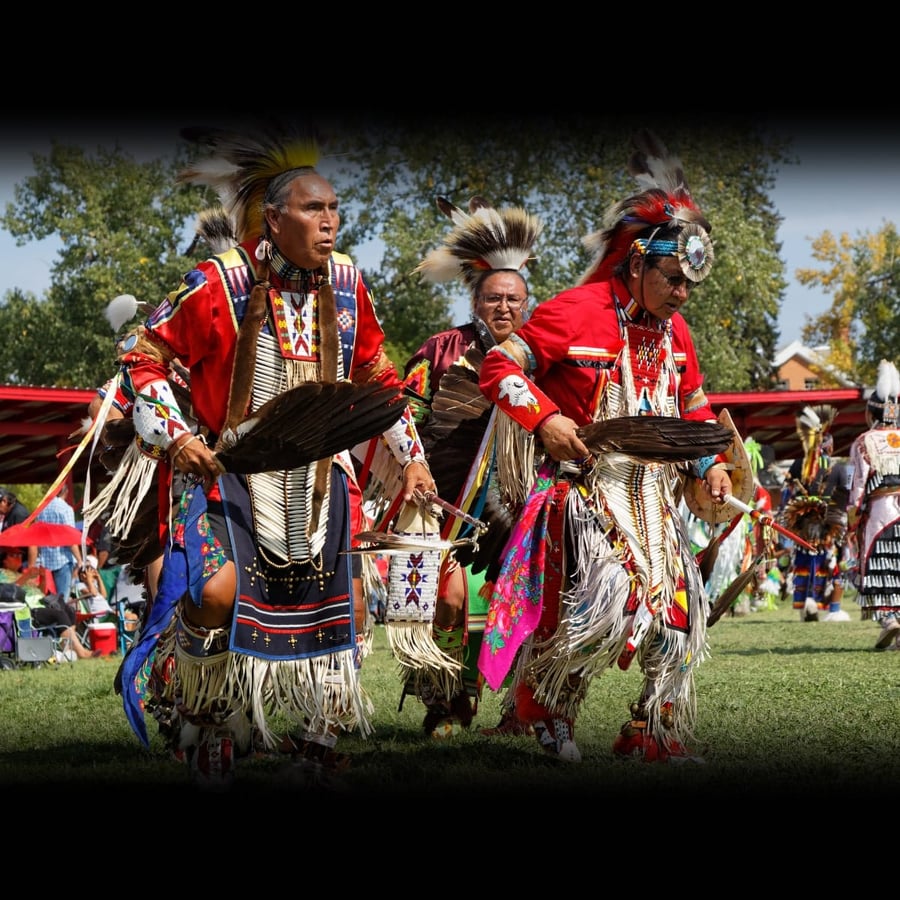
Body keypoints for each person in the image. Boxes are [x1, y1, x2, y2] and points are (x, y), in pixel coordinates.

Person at [91, 122, 435, 789]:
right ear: (273, 220)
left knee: (353, 611)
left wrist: (411, 457)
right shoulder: (218, 282)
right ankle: (203, 712)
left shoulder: (346, 284)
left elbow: (377, 375)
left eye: (335, 208)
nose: (330, 220)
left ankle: (318, 738)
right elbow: (144, 353)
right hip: (234, 472)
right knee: (217, 595)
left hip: (323, 477)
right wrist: (179, 435)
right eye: (314, 208)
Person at [476, 130, 733, 764]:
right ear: (639, 262)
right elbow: (498, 369)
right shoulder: (577, 311)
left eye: (689, 286)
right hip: (583, 497)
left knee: (676, 621)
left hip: (653, 497)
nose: (681, 295)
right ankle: (547, 710)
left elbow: (691, 409)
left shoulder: (677, 334)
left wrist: (712, 463)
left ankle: (651, 731)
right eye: (672, 279)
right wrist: (542, 420)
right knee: (603, 612)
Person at [395, 196, 542, 738]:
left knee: (528, 597)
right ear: (476, 300)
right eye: (492, 298)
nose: (503, 308)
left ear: (526, 305)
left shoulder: (538, 356)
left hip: (519, 495)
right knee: (447, 599)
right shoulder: (441, 349)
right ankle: (445, 701)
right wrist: (413, 470)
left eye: (513, 299)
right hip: (446, 495)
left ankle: (519, 709)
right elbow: (403, 414)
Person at [847, 359, 900, 649]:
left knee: (879, 566)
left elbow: (857, 487)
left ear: (872, 413)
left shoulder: (865, 441)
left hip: (880, 513)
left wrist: (852, 515)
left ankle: (889, 619)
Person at [778, 405, 846, 622]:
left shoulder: (801, 464)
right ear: (830, 447)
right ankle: (829, 608)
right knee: (828, 562)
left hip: (804, 523)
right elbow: (845, 494)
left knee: (808, 561)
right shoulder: (838, 468)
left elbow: (788, 494)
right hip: (825, 523)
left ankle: (808, 605)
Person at [1, 549, 98, 659]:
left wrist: (43, 578)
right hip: (25, 611)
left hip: (41, 604)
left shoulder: (20, 572)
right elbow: (6, 592)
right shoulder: (2, 573)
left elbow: (40, 592)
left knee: (69, 610)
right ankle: (82, 653)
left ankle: (67, 648)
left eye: (19, 555)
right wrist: (26, 577)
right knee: (58, 614)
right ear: (4, 559)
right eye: (13, 555)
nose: (18, 557)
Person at [25, 482, 83, 608]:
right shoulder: (66, 509)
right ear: (66, 492)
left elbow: (36, 537)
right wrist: (79, 560)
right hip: (62, 560)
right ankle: (62, 626)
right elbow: (70, 538)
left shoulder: (41, 509)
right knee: (62, 601)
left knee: (46, 600)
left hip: (45, 561)